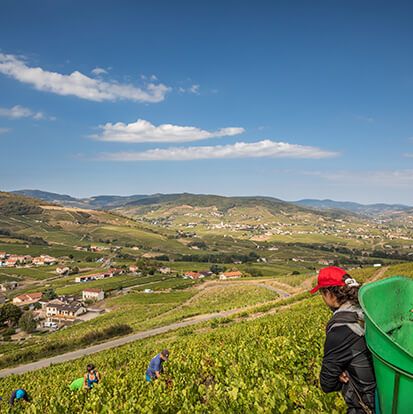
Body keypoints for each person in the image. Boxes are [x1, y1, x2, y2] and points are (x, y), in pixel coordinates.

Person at [310, 266, 376, 414]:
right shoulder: (367, 310)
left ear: (329, 293)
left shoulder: (340, 330)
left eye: (322, 293)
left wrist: (341, 371)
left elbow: (327, 384)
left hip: (365, 406)